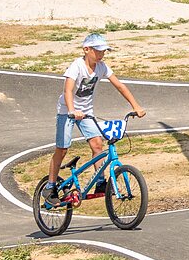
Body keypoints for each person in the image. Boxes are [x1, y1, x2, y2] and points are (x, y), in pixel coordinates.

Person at [44, 33, 146, 206]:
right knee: (62, 149)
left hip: (86, 112)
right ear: (86, 49)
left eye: (104, 51)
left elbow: (119, 86)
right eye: (98, 51)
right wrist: (72, 110)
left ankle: (100, 183)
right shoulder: (77, 66)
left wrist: (136, 106)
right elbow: (68, 90)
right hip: (67, 111)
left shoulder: (102, 67)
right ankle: (50, 186)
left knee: (97, 144)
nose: (101, 54)